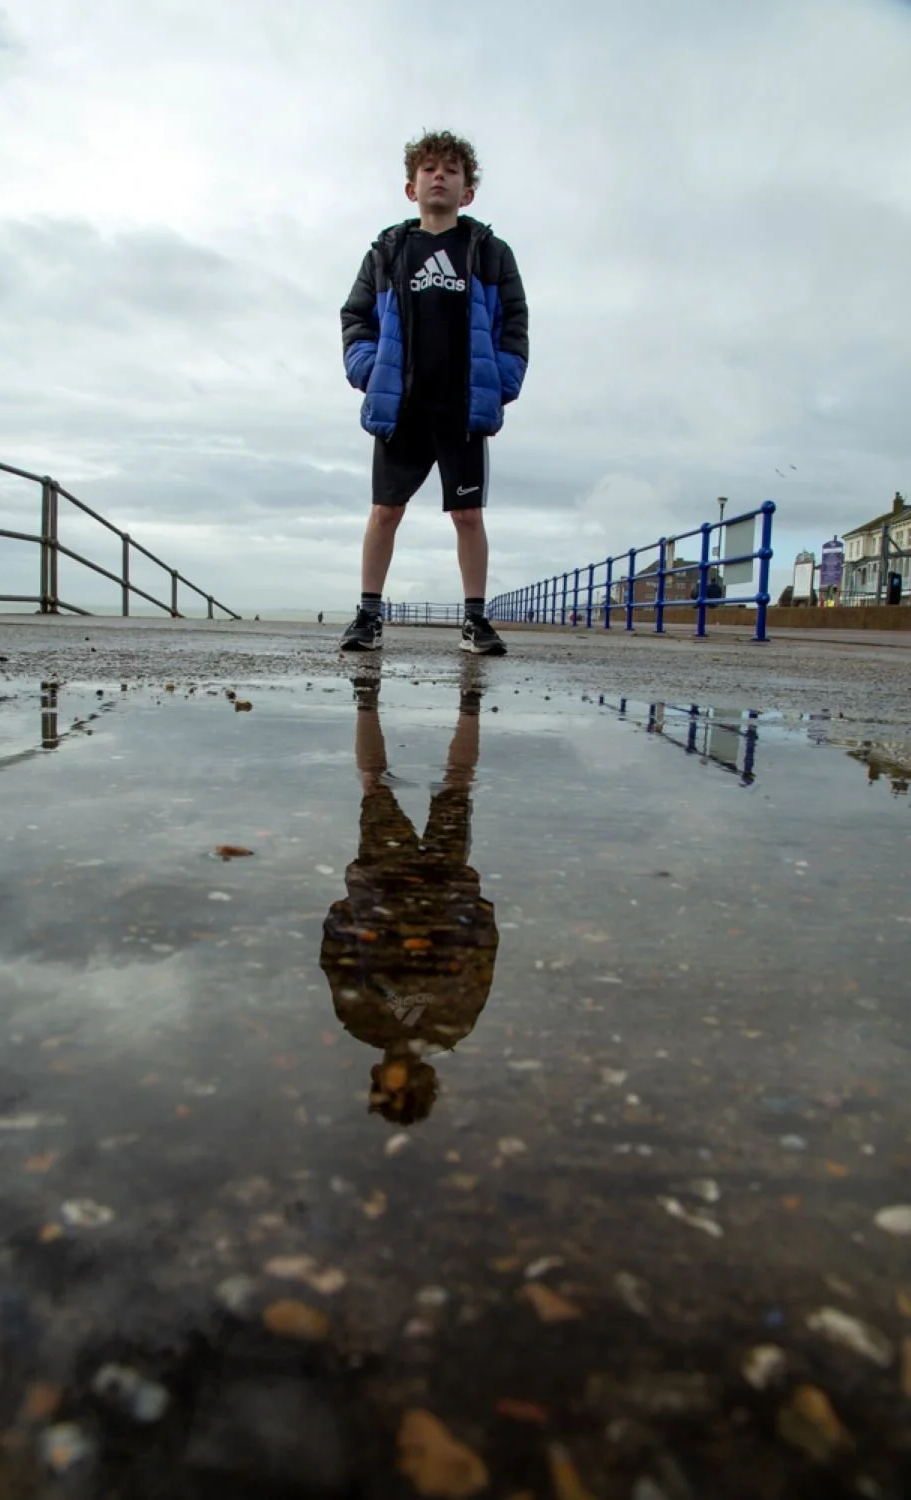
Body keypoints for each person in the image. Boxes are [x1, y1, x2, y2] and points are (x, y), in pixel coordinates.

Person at [338, 130, 529, 656]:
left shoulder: (489, 252)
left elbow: (514, 321)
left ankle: (474, 621)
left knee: (468, 516)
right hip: (402, 405)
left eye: (450, 169)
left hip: (462, 406)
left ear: (468, 192)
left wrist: (504, 380)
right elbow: (356, 318)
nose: (438, 176)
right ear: (410, 187)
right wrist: (370, 371)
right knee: (384, 511)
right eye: (428, 169)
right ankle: (368, 616)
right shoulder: (388, 251)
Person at [319, 666, 498, 1125]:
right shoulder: (427, 1026)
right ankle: (376, 700)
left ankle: (451, 704)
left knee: (441, 785)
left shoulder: (439, 1026)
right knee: (416, 785)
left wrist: (477, 910)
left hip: (411, 886)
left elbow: (337, 958)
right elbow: (481, 959)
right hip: (410, 887)